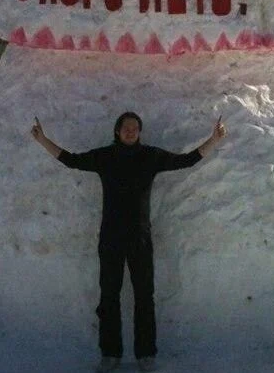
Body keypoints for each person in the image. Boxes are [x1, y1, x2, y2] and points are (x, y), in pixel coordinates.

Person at [31, 111, 227, 373]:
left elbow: (186, 161)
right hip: (110, 237)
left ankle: (146, 354)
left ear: (140, 131)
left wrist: (214, 140)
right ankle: (110, 353)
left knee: (144, 296)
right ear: (117, 130)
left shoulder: (150, 156)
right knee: (109, 296)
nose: (131, 131)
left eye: (135, 127)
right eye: (126, 127)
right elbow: (71, 160)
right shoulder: (105, 157)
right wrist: (43, 140)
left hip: (140, 237)